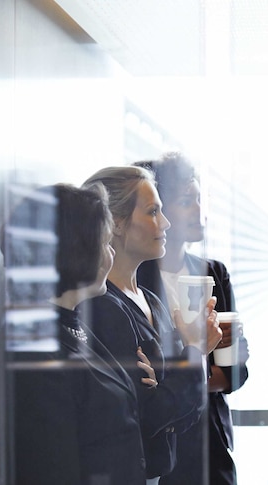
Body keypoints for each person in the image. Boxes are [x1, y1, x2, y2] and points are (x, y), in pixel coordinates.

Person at [6, 183, 157, 484]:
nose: (111, 253)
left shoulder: (71, 325)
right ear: (78, 251)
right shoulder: (37, 353)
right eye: (104, 243)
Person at [80, 166, 223, 484]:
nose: (167, 223)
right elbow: (148, 414)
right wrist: (195, 351)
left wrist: (171, 381)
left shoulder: (151, 300)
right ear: (117, 224)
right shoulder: (100, 307)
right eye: (153, 211)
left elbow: (182, 411)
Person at [135, 153, 250, 485]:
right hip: (162, 445)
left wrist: (224, 357)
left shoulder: (213, 272)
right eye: (187, 201)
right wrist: (200, 360)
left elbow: (235, 373)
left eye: (200, 199)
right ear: (159, 209)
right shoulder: (137, 280)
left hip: (209, 443)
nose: (200, 212)